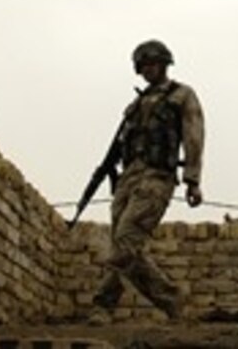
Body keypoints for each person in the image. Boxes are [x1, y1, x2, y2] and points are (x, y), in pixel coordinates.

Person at [90, 39, 205, 322]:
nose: (148, 70)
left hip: (157, 177)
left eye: (153, 64)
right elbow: (119, 145)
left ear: (165, 64)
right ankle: (172, 300)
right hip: (128, 178)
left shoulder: (182, 95)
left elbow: (194, 135)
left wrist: (192, 179)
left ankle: (103, 303)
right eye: (143, 66)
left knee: (127, 237)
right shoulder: (135, 104)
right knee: (122, 244)